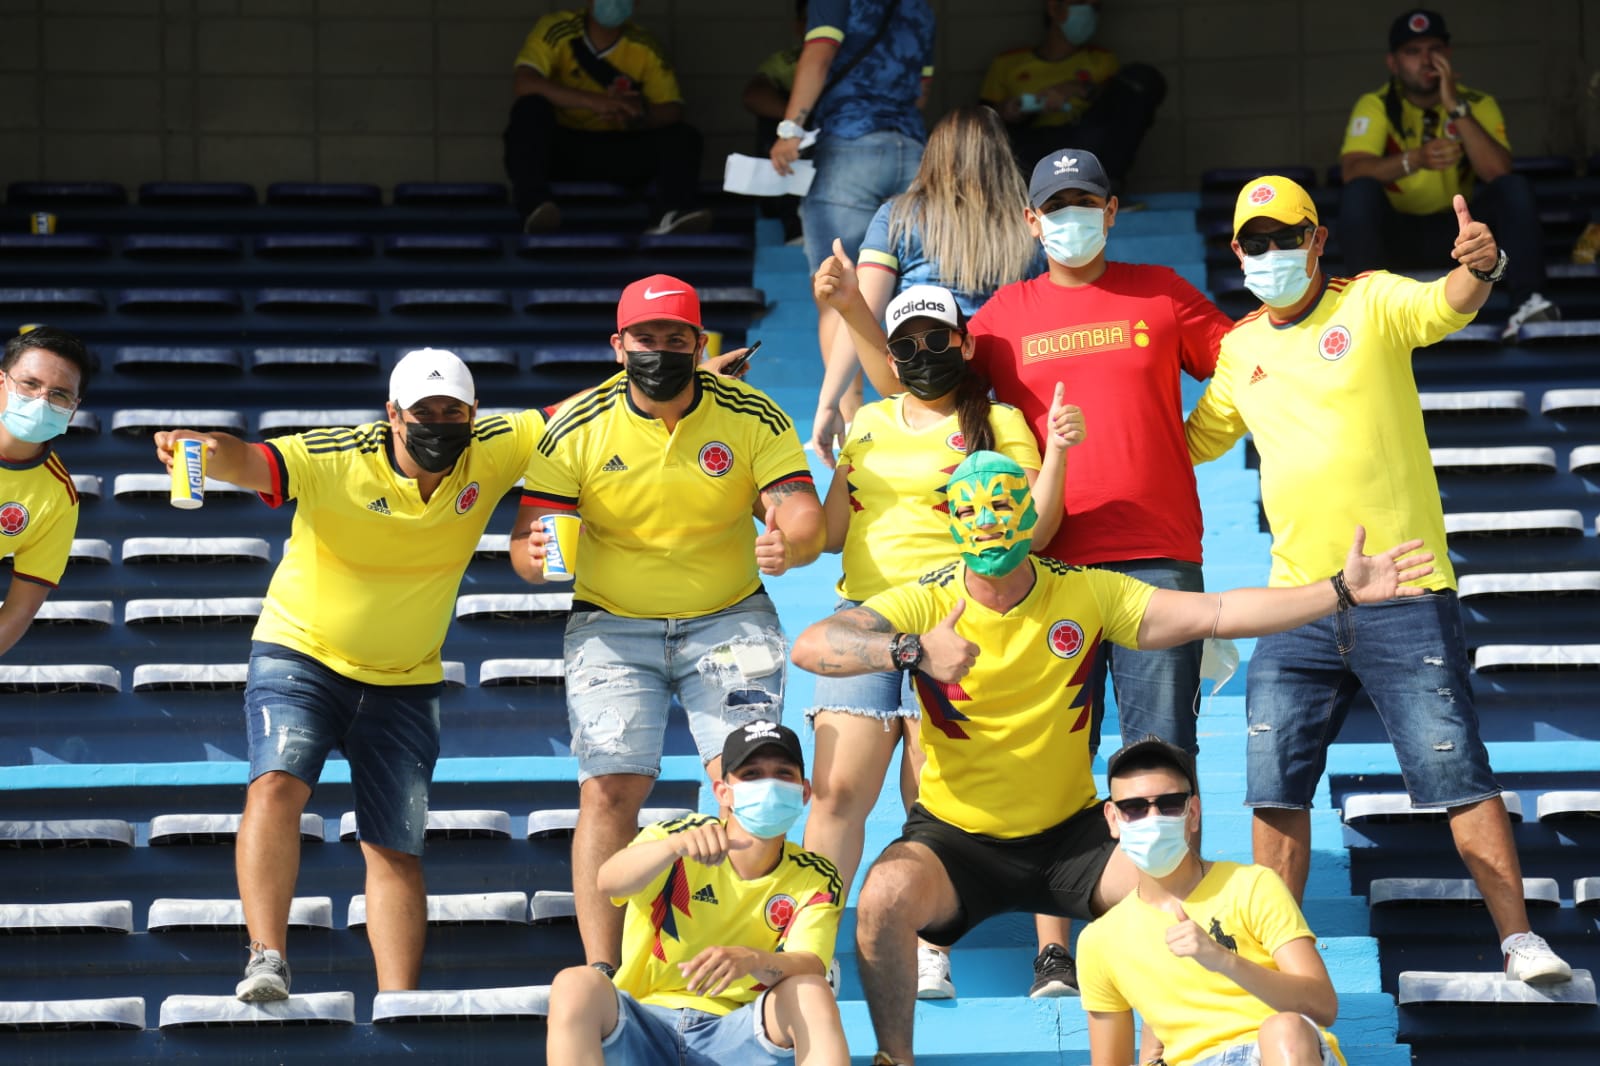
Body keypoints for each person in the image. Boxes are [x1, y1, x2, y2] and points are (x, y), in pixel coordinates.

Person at [789, 450, 1436, 1066]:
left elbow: (1217, 611)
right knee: (880, 898)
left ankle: (1159, 1054)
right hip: (956, 840)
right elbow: (815, 644)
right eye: (971, 510)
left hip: (1073, 836)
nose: (988, 521)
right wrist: (910, 651)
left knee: (1171, 900)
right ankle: (894, 1057)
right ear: (950, 521)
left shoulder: (1087, 592)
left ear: (1032, 514)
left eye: (1003, 505)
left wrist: (1339, 592)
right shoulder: (924, 600)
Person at [1185, 174, 1573, 985]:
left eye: (1285, 236)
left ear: (1318, 239)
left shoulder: (1370, 301)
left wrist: (1482, 264)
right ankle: (1274, 958)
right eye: (1254, 243)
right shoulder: (1238, 346)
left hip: (1401, 587)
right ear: (1236, 253)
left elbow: (1448, 305)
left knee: (1454, 769)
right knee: (1274, 788)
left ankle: (1519, 937)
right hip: (1299, 600)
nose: (1270, 253)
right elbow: (1192, 443)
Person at [152, 349, 548, 1001]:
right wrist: (202, 448)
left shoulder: (497, 445)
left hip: (408, 676)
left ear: (474, 413)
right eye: (425, 411)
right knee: (277, 786)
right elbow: (250, 460)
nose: (440, 423)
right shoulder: (335, 454)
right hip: (301, 653)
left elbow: (590, 408)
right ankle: (267, 958)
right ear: (393, 414)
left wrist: (697, 377)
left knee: (395, 844)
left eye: (453, 410)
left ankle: (398, 1001)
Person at [815, 148, 1231, 761]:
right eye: (1055, 207)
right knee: (1050, 762)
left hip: (1156, 555)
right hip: (1043, 568)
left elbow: (1250, 365)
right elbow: (914, 380)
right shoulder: (1006, 316)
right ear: (1031, 221)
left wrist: (1198, 435)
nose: (1072, 217)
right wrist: (853, 307)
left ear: (1111, 211)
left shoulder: (1161, 293)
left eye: (1085, 203)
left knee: (1163, 758)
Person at [512, 274, 826, 975]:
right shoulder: (576, 425)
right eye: (646, 339)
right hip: (611, 629)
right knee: (608, 790)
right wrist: (534, 560)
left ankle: (755, 956)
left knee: (749, 782)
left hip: (731, 622)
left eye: (676, 338)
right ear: (618, 345)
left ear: (699, 342)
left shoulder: (752, 414)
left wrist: (791, 542)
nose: (662, 350)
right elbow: (524, 543)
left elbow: (800, 510)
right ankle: (601, 969)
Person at [806, 284, 1081, 1002]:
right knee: (835, 793)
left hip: (956, 620)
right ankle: (808, 949)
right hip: (867, 620)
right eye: (906, 345)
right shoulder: (867, 420)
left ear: (964, 343)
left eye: (937, 339)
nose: (922, 353)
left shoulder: (997, 419)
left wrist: (1058, 456)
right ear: (891, 356)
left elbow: (1034, 525)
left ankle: (928, 950)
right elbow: (833, 531)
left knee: (929, 796)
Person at [545, 720, 848, 1065]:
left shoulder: (816, 876)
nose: (769, 785)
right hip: (646, 1024)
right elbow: (609, 881)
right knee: (575, 984)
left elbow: (811, 963)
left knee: (812, 991)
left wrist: (753, 960)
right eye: (751, 774)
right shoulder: (677, 837)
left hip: (738, 1031)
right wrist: (672, 848)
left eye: (783, 774)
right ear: (723, 793)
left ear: (805, 792)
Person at [1079, 737, 1345, 1066]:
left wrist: (1222, 960)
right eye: (1134, 808)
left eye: (1170, 804)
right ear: (1113, 819)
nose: (1153, 818)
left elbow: (1323, 1005)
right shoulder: (1099, 940)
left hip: (1273, 1051)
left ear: (1193, 813)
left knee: (1285, 1029)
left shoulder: (1252, 886)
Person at [811, 105, 1044, 453]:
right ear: (1001, 156)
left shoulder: (899, 216)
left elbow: (862, 308)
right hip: (1000, 392)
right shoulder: (1026, 225)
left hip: (923, 385)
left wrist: (829, 402)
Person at [1338, 8, 1557, 341]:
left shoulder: (1474, 102)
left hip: (1463, 236)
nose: (1426, 60)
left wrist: (1455, 106)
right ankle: (1364, 312)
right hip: (1399, 235)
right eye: (1413, 52)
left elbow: (1497, 171)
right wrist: (1415, 159)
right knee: (1359, 194)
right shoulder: (1377, 105)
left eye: (1434, 50)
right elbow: (1352, 171)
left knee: (1513, 187)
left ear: (1448, 55)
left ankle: (1527, 303)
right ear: (1393, 63)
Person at [504, 0, 710, 235]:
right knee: (529, 110)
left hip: (617, 150)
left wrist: (636, 112)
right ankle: (534, 208)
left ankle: (670, 215)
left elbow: (673, 109)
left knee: (684, 136)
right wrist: (595, 101)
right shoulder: (558, 29)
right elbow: (525, 82)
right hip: (562, 150)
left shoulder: (646, 46)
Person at [769, 0, 935, 275]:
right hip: (911, 149)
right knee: (913, 284)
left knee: (837, 288)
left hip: (848, 145)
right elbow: (922, 91)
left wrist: (791, 130)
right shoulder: (921, 9)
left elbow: (818, 56)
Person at [978, 1, 1167, 189]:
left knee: (1141, 78)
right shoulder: (1008, 63)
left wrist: (1077, 89)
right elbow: (980, 121)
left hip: (1083, 144)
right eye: (1081, 4)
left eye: (1095, 8)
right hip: (1029, 149)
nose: (1090, 13)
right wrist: (1010, 111)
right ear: (1054, 8)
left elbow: (1118, 110)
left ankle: (1104, 187)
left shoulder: (1101, 60)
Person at [0, 326, 92, 658]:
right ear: (2, 382)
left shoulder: (58, 497)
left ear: (73, 408)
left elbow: (19, 610)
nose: (41, 401)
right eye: (30, 384)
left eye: (59, 394)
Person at [742, 1, 810, 243]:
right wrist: (797, 122)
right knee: (775, 126)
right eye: (809, 19)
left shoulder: (863, 64)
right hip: (802, 150)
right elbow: (754, 96)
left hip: (846, 150)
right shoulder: (788, 61)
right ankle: (794, 225)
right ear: (798, 25)